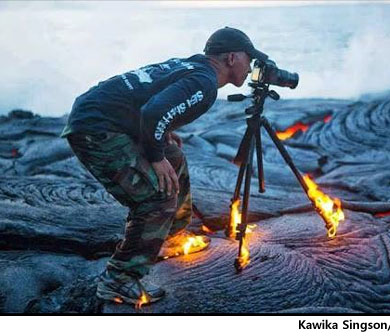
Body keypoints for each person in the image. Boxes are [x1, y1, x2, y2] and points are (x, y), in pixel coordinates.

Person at [61, 27, 268, 305]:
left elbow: (150, 99)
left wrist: (162, 134)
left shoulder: (192, 65)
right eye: (248, 58)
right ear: (231, 58)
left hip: (105, 116)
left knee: (175, 157)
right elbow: (153, 111)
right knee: (157, 197)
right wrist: (155, 157)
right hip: (96, 129)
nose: (251, 65)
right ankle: (119, 279)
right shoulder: (204, 83)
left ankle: (169, 236)